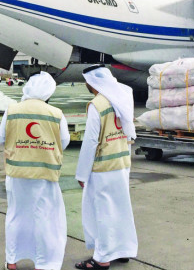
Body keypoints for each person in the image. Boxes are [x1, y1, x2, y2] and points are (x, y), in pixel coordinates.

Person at [0, 72, 70, 270]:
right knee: (44, 217)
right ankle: (43, 263)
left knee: (16, 215)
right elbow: (64, 141)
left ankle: (12, 261)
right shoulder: (56, 113)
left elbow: (0, 138)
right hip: (45, 173)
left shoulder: (12, 110)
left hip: (17, 173)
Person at [74, 64, 137, 269]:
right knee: (121, 209)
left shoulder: (98, 104)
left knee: (102, 212)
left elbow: (91, 141)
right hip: (122, 162)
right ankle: (122, 250)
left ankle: (102, 258)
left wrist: (82, 173)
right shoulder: (123, 95)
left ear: (91, 82)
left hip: (104, 167)